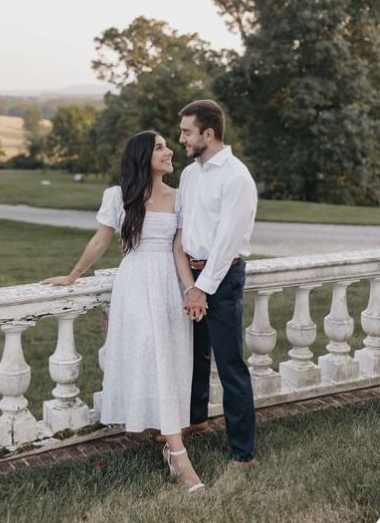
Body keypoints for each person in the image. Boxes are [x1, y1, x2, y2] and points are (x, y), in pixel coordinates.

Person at [43, 131, 204, 493]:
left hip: (167, 286)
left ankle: (170, 439)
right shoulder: (118, 196)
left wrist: (191, 288)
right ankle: (178, 455)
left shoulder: (180, 197)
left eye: (167, 145)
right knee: (148, 357)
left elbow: (178, 250)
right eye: (160, 147)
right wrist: (73, 275)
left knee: (171, 360)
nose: (169, 151)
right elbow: (101, 239)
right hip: (133, 286)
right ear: (143, 156)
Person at [178, 99, 258, 466]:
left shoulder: (237, 177)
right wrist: (187, 281)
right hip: (190, 274)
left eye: (186, 132)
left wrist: (201, 288)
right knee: (193, 355)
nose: (181, 139)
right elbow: (184, 228)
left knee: (230, 364)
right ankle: (197, 420)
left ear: (207, 134)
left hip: (221, 278)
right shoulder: (189, 174)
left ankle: (243, 452)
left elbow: (227, 242)